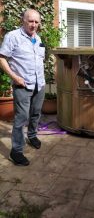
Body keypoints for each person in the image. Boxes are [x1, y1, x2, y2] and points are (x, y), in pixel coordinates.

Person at [0, 9, 45, 166]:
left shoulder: (38, 39)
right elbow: (2, 58)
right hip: (22, 84)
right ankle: (16, 151)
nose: (33, 25)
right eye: (30, 21)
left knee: (36, 113)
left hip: (39, 83)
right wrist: (15, 77)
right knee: (21, 118)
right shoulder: (12, 37)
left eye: (36, 22)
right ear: (23, 20)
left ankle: (32, 135)